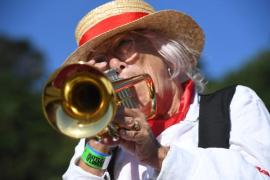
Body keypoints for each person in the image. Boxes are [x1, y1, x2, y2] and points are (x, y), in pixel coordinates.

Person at [62, 0, 270, 179]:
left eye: (124, 45)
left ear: (164, 52)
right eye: (100, 61)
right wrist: (100, 142)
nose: (114, 65)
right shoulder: (95, 145)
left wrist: (158, 155)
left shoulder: (235, 104)